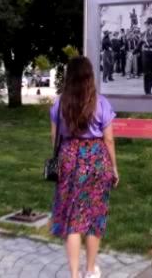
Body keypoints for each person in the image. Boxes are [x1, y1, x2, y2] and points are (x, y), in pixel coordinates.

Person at [50, 56, 119, 278]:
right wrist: (114, 167)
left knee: (71, 218)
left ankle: (74, 274)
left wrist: (63, 158)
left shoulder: (60, 103)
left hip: (68, 159)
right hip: (97, 160)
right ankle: (90, 270)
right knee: (93, 216)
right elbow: (109, 140)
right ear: (90, 77)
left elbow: (54, 139)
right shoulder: (101, 103)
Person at [141, 18, 152, 95]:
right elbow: (140, 43)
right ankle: (147, 90)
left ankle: (149, 87)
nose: (148, 25)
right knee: (146, 73)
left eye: (149, 24)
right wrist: (134, 52)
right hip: (146, 53)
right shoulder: (144, 33)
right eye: (147, 24)